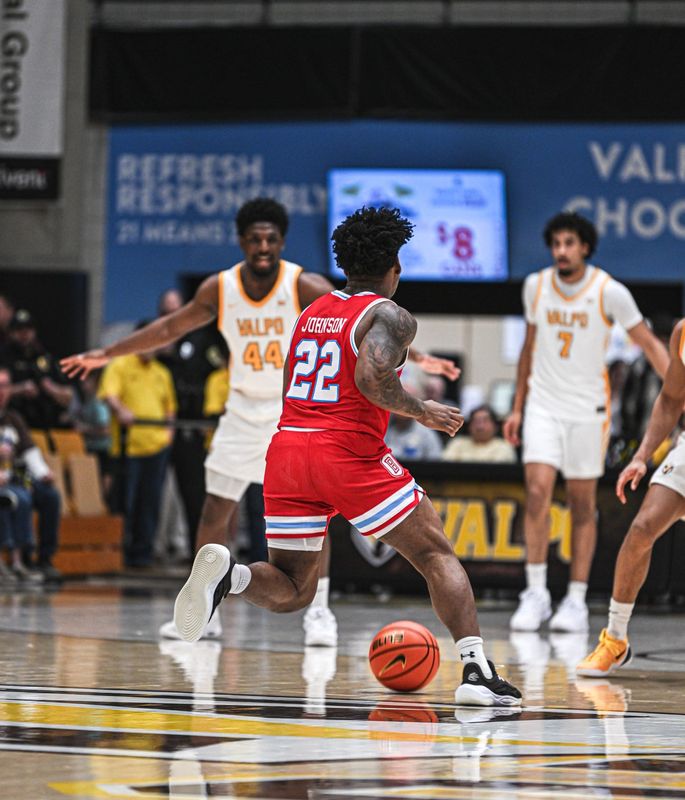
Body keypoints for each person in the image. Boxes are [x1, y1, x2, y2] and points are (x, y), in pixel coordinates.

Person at [62, 198, 457, 645]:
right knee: (221, 508)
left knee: (313, 513)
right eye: (255, 238)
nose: (263, 246)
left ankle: (319, 611)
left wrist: (419, 357)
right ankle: (208, 608)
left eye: (271, 238)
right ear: (242, 242)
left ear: (282, 242)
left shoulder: (303, 284)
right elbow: (172, 327)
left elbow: (366, 320)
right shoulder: (220, 287)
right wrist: (106, 352)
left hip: (294, 408)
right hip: (250, 408)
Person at [171, 206, 522, 707]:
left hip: (288, 449)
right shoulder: (388, 315)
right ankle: (476, 671)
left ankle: (233, 576)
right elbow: (370, 380)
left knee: (294, 587)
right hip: (346, 451)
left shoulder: (311, 313)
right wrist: (423, 410)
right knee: (434, 553)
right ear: (393, 267)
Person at [503, 212, 669, 633]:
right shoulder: (535, 286)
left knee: (581, 504)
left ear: (585, 248)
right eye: (556, 243)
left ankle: (575, 599)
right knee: (537, 492)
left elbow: (649, 344)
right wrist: (519, 407)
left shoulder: (609, 291)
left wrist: (679, 386)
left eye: (569, 244)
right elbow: (528, 348)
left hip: (588, 411)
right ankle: (536, 593)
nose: (561, 251)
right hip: (542, 404)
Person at [577, 318, 685, 676]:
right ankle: (615, 639)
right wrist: (641, 457)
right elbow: (670, 400)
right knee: (642, 530)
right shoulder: (683, 332)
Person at [98, 339, 177, 567]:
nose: (150, 348)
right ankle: (119, 550)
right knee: (124, 500)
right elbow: (109, 394)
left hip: (156, 445)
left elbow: (170, 406)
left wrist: (168, 435)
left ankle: (143, 552)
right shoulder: (120, 365)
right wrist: (121, 410)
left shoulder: (162, 372)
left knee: (150, 501)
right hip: (127, 446)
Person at [6, 309, 74, 429]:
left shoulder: (45, 357)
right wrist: (19, 389)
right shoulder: (4, 358)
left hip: (48, 424)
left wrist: (51, 388)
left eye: (28, 329)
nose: (24, 334)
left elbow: (69, 396)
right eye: (19, 330)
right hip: (14, 425)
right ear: (12, 333)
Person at [443, 404, 516, 463]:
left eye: (485, 421)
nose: (480, 426)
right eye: (476, 421)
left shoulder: (504, 446)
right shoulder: (457, 443)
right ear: (469, 426)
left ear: (495, 426)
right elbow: (445, 467)